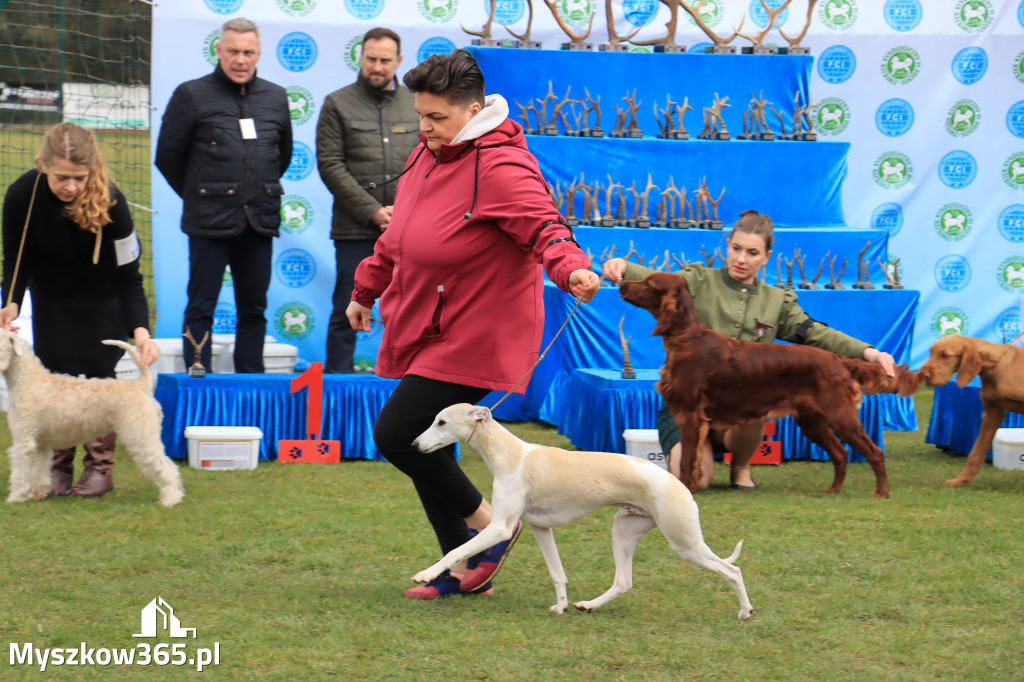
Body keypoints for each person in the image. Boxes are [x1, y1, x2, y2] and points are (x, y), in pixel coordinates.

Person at [345, 49, 601, 599]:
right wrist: (366, 288)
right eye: (421, 115)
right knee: (428, 443)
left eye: (436, 118)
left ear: (474, 110)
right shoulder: (428, 153)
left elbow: (545, 227)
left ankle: (491, 528)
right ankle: (459, 572)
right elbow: (398, 238)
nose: (424, 127)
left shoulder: (501, 165)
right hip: (434, 326)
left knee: (397, 434)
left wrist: (572, 267)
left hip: (481, 336)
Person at [603, 210, 897, 490]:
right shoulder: (700, 280)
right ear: (727, 246)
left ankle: (741, 469)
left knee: (756, 399)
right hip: (689, 405)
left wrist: (869, 353)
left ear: (767, 257)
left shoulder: (776, 301)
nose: (741, 259)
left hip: (739, 409)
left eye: (752, 253)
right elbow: (660, 281)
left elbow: (816, 333)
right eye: (736, 248)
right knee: (697, 480)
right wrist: (624, 268)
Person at [0, 122, 159, 498]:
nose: (71, 187)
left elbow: (130, 276)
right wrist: (9, 304)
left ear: (93, 170)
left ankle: (100, 469)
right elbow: (16, 263)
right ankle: (58, 467)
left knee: (100, 368)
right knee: (56, 370)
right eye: (61, 178)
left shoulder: (113, 202)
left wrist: (140, 330)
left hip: (102, 295)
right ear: (43, 165)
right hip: (52, 293)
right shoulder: (22, 195)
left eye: (79, 178)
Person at [155, 17, 292, 373]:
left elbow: (282, 155)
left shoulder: (276, 97)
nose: (240, 59)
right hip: (208, 223)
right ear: (218, 51)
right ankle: (197, 370)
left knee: (254, 307)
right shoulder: (191, 94)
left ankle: (251, 378)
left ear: (259, 53)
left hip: (258, 223)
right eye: (232, 51)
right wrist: (202, 196)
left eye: (248, 52)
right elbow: (168, 157)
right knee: (201, 304)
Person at [316, 27, 420, 374]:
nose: (377, 66)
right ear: (360, 57)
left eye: (385, 60)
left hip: (412, 232)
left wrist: (407, 213)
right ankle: (336, 391)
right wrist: (373, 212)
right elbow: (330, 165)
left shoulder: (417, 104)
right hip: (354, 231)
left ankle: (409, 388)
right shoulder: (337, 103)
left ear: (399, 61)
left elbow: (430, 162)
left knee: (414, 314)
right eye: (371, 59)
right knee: (347, 310)